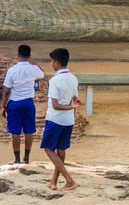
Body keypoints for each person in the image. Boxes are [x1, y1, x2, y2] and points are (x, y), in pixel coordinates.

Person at [41, 48, 81, 191]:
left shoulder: (55, 80)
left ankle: (69, 180)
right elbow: (74, 101)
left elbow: (56, 105)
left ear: (57, 63)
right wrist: (71, 109)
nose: (51, 64)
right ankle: (54, 181)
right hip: (68, 121)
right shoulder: (73, 78)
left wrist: (70, 107)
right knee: (61, 149)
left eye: (51, 61)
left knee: (48, 148)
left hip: (55, 119)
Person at [1, 45, 44, 164]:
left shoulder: (12, 70)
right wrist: (33, 61)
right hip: (28, 102)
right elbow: (42, 74)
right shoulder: (33, 69)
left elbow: (7, 91)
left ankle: (17, 159)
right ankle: (27, 157)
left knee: (15, 132)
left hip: (15, 103)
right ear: (29, 55)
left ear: (18, 56)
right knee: (29, 130)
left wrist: (3, 106)